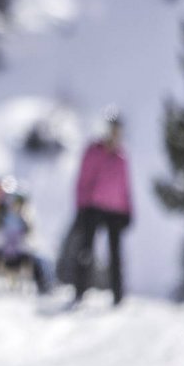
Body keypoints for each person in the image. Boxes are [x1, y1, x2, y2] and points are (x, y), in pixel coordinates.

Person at [67, 110, 132, 305]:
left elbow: (125, 187)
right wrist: (81, 207)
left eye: (118, 131)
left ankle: (118, 296)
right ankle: (80, 291)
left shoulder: (121, 157)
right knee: (86, 251)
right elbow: (82, 181)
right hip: (93, 208)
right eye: (112, 130)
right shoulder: (93, 152)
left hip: (116, 211)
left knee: (115, 255)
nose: (115, 134)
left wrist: (128, 211)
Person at [0, 179, 50, 294]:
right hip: (2, 252)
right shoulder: (0, 217)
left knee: (37, 259)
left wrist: (24, 245)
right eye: (11, 201)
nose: (14, 204)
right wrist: (1, 242)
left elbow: (31, 239)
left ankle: (43, 286)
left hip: (19, 254)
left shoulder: (26, 220)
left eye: (17, 202)